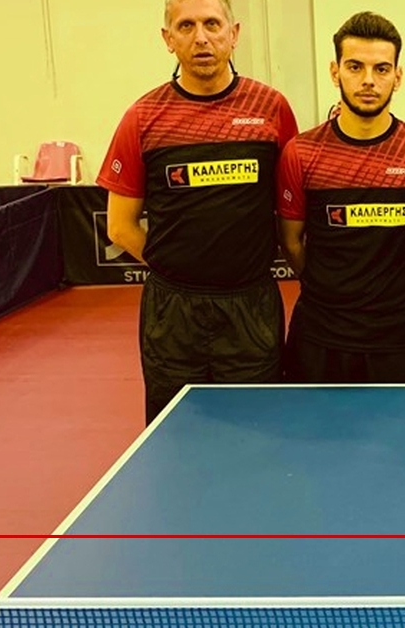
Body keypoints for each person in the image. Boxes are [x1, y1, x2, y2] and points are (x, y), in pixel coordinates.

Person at [99, 0, 298, 424]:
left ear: (234, 33)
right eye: (186, 26)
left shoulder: (272, 108)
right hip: (173, 315)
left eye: (212, 24)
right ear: (168, 39)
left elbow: (292, 210)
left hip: (251, 307)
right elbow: (119, 226)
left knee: (258, 433)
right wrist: (181, 270)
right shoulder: (143, 117)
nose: (201, 37)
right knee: (175, 433)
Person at [276, 12, 405, 383]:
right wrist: (329, 290)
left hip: (399, 338)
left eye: (381, 69)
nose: (368, 80)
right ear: (335, 72)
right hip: (319, 337)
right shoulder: (301, 153)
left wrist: (398, 292)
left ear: (398, 77)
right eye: (355, 67)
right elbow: (290, 241)